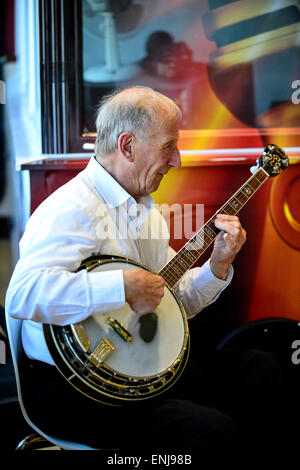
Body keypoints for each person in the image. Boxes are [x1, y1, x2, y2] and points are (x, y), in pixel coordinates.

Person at [5, 86, 286, 454]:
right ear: (128, 146)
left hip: (138, 370)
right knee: (209, 432)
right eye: (169, 146)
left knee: (258, 370)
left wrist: (217, 266)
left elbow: (171, 302)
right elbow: (22, 294)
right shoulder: (71, 209)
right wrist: (121, 286)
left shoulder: (147, 212)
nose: (177, 161)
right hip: (72, 387)